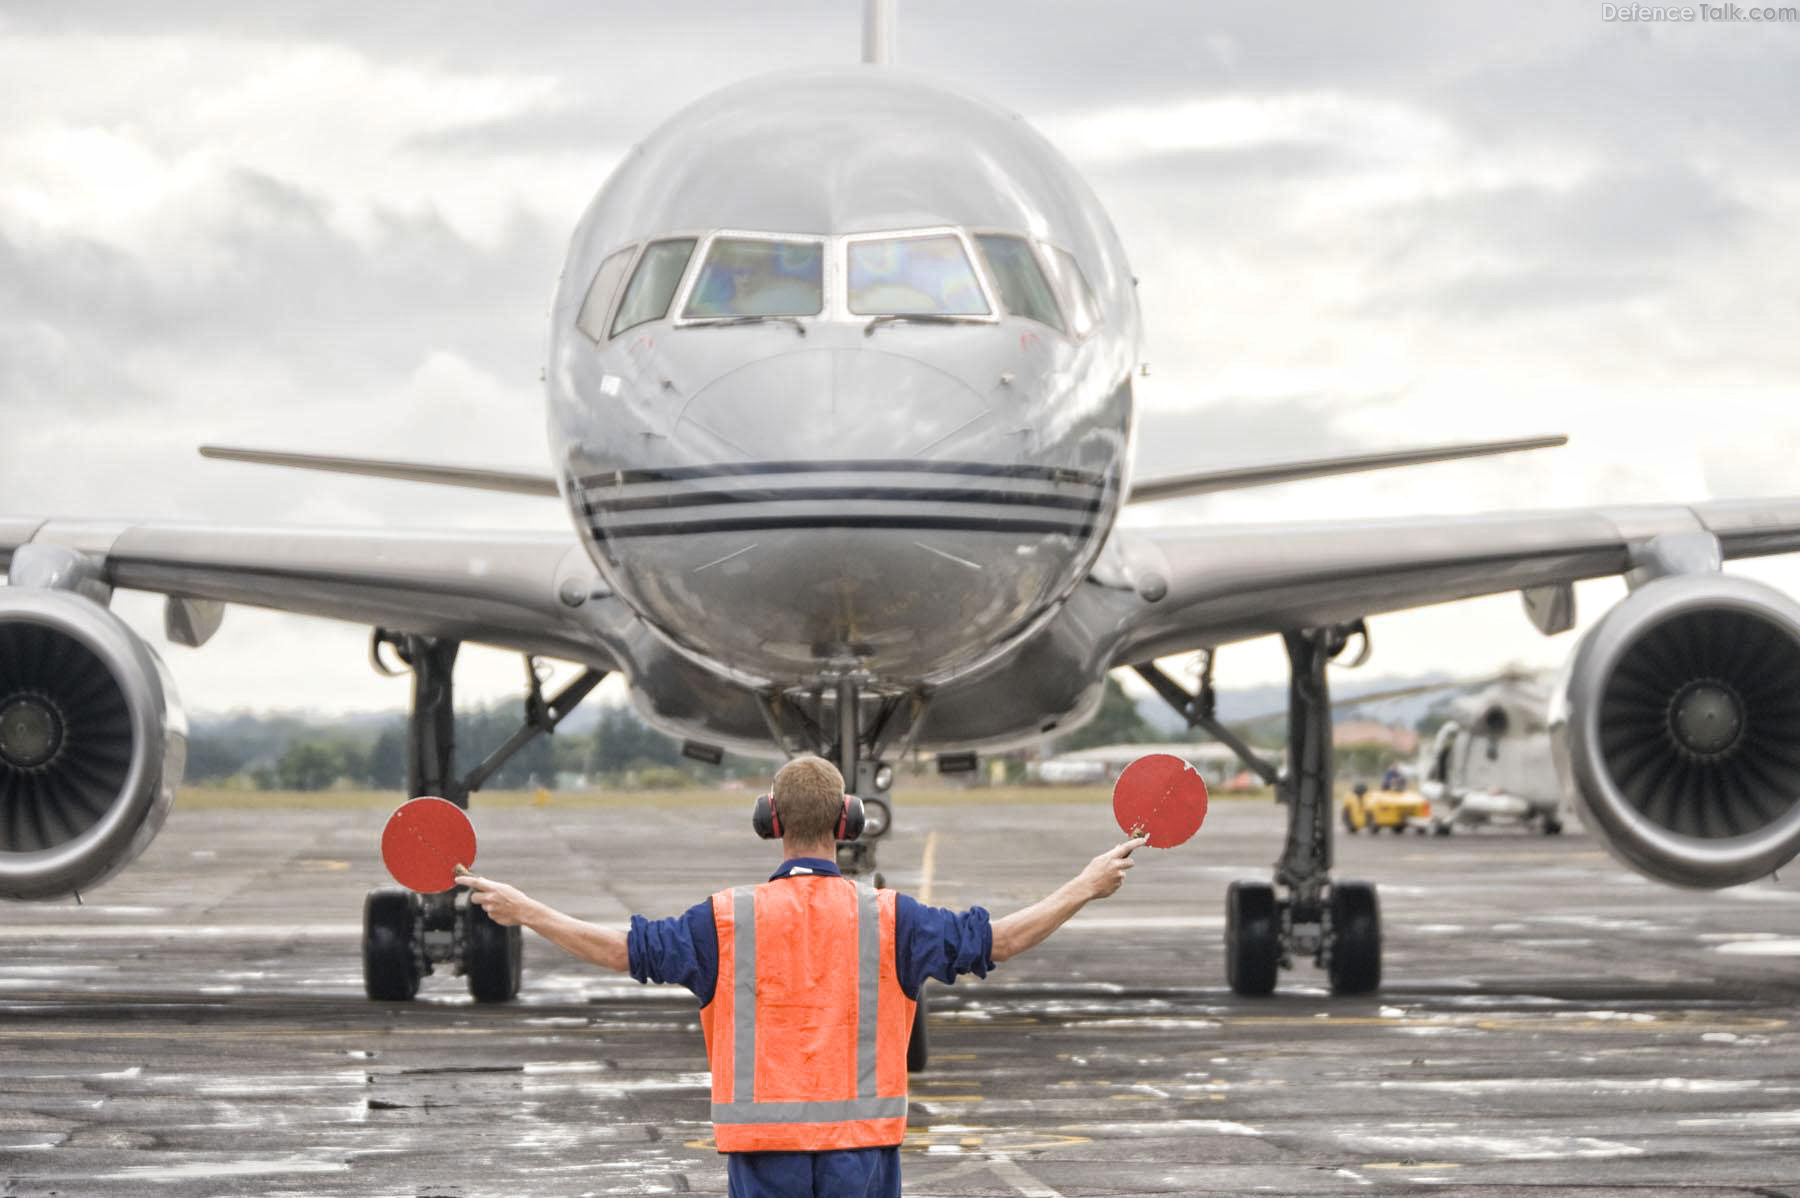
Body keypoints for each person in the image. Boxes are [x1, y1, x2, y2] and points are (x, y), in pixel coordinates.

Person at [459, 754, 1145, 1198]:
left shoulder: (726, 920)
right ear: (847, 822)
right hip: (864, 1154)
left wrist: (525, 909)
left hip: (765, 1154)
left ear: (772, 821)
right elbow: (1002, 939)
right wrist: (1083, 885)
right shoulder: (892, 917)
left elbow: (619, 950)